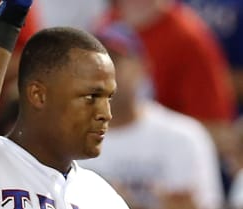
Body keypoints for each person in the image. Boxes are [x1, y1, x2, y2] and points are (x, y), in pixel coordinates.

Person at [0, 1, 130, 209]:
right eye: (91, 97)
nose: (105, 114)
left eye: (108, 98)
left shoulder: (104, 198)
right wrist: (9, 19)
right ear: (38, 95)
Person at [78, 23, 224, 209]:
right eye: (94, 63)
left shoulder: (184, 137)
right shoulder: (65, 137)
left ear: (142, 68)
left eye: (115, 60)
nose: (104, 71)